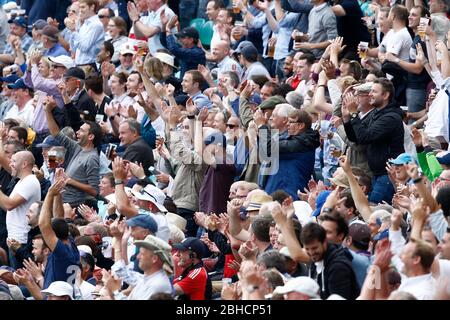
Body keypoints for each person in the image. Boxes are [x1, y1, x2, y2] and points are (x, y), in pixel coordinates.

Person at [343, 78, 404, 204]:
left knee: (374, 210)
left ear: (386, 95)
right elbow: (355, 138)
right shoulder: (377, 114)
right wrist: (347, 119)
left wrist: (354, 113)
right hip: (377, 174)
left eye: (374, 91)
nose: (370, 94)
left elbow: (364, 138)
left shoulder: (390, 118)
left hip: (387, 175)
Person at [44, 97, 102, 208]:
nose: (77, 132)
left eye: (82, 131)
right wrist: (47, 111)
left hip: (74, 207)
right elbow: (56, 133)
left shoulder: (92, 158)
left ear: (91, 136)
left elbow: (94, 191)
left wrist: (70, 181)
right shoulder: (77, 147)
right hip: (63, 203)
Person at [1, 151, 41, 270]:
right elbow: (7, 206)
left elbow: (9, 205)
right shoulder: (22, 181)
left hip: (21, 241)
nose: (10, 164)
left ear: (24, 164)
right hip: (14, 239)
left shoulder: (30, 181)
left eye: (13, 161)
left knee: (21, 281)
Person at [300, 222, 359, 300]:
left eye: (314, 248)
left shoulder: (338, 267)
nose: (311, 253)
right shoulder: (316, 259)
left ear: (324, 242)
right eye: (307, 249)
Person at [103, 235, 173, 300]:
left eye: (142, 254)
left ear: (154, 259)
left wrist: (114, 291)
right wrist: (111, 284)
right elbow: (123, 273)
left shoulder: (158, 284)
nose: (138, 257)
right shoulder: (147, 278)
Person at [69, 0, 106, 67]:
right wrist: (73, 28)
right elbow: (73, 49)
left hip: (89, 66)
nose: (80, 10)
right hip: (79, 65)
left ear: (92, 7)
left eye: (83, 7)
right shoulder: (85, 24)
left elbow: (84, 47)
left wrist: (73, 31)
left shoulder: (96, 25)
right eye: (79, 7)